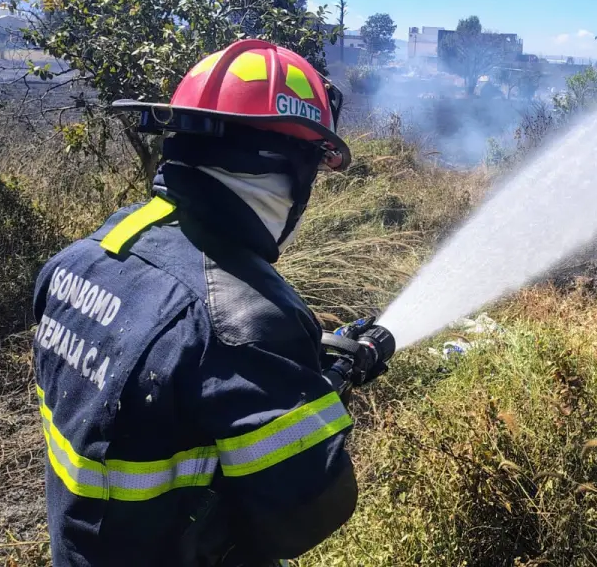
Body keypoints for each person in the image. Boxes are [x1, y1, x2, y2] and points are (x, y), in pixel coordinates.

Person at [31, 39, 394, 566]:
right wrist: (320, 402)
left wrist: (300, 371)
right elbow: (309, 512)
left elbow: (171, 387)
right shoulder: (247, 318)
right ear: (291, 169)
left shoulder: (77, 261)